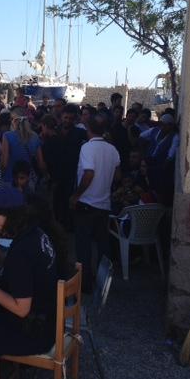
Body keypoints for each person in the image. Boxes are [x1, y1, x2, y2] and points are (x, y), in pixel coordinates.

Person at [0, 202, 59, 379]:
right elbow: (16, 272)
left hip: (34, 334)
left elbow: (21, 309)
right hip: (48, 324)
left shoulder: (22, 251)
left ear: (11, 216)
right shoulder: (36, 234)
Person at [70, 117, 121, 293]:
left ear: (88, 130)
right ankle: (103, 282)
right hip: (104, 204)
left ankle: (85, 284)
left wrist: (76, 195)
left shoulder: (87, 147)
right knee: (102, 245)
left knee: (83, 246)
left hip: (86, 203)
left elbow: (89, 173)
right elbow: (117, 176)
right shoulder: (112, 149)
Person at [0, 109, 42, 187]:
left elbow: (4, 162)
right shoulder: (35, 136)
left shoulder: (7, 136)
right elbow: (41, 163)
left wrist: (0, 175)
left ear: (14, 121)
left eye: (11, 119)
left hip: (10, 178)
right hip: (27, 178)